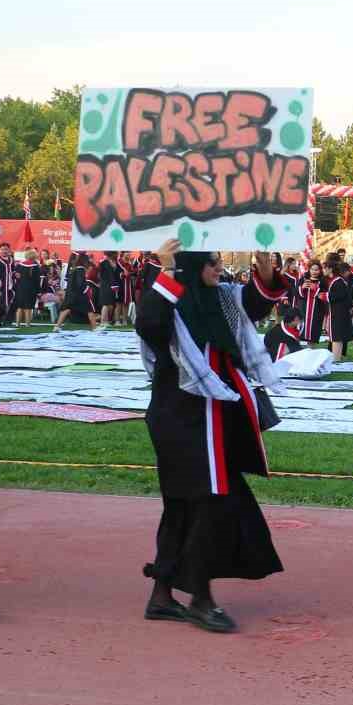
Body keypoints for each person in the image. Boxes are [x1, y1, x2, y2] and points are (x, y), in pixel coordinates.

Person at [135, 240, 287, 634]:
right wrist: (167, 271)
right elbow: (149, 324)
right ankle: (200, 599)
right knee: (208, 504)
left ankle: (162, 595)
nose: (220, 268)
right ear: (190, 266)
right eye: (213, 263)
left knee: (186, 506)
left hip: (215, 416)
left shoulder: (218, 300)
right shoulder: (168, 298)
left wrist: (266, 273)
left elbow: (251, 306)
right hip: (182, 418)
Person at [56, 252, 97, 330]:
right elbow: (80, 283)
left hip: (71, 293)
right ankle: (94, 328)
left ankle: (57, 326)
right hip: (80, 294)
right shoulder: (80, 269)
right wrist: (87, 289)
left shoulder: (73, 268)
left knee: (66, 309)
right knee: (90, 310)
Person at [326, 258, 353, 359]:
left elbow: (341, 296)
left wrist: (324, 296)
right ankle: (337, 357)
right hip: (339, 312)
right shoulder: (338, 281)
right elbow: (340, 296)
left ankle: (338, 357)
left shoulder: (339, 281)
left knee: (339, 337)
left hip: (341, 312)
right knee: (337, 337)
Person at [12, 248, 43, 326]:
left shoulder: (19, 265)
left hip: (20, 288)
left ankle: (17, 323)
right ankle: (27, 324)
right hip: (31, 289)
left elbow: (16, 276)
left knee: (19, 307)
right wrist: (39, 291)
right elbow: (37, 280)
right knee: (28, 307)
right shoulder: (35, 266)